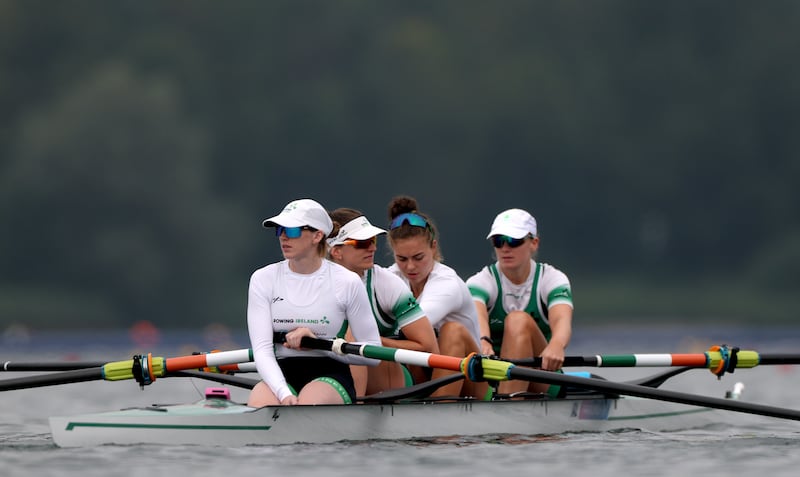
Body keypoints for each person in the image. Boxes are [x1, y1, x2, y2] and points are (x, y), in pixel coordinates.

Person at [246, 198, 382, 406]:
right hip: (280, 374)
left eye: (292, 231)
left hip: (331, 373)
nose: (283, 236)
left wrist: (320, 344)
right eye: (280, 230)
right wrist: (283, 393)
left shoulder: (346, 282)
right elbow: (262, 350)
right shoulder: (263, 279)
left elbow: (373, 354)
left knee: (309, 403)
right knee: (261, 401)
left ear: (317, 235)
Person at [385, 195, 489, 400]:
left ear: (433, 247)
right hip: (425, 373)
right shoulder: (390, 278)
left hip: (473, 382)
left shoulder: (446, 283)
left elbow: (414, 326)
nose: (410, 267)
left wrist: (373, 337)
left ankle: (436, 413)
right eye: (402, 259)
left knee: (452, 332)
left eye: (418, 257)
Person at [327, 208, 439, 396]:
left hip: (388, 378)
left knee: (354, 332)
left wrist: (374, 341)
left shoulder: (386, 284)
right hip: (327, 369)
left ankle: (353, 409)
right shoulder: (310, 282)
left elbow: (428, 346)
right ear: (337, 251)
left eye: (373, 240)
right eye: (362, 243)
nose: (373, 248)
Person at [466, 208, 573, 397]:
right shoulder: (480, 282)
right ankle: (509, 406)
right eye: (498, 242)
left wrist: (556, 345)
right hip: (493, 378)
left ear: (534, 243)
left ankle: (507, 409)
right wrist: (483, 341)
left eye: (514, 241)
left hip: (544, 374)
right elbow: (477, 315)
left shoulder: (553, 279)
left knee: (518, 320)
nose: (505, 248)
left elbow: (562, 321)